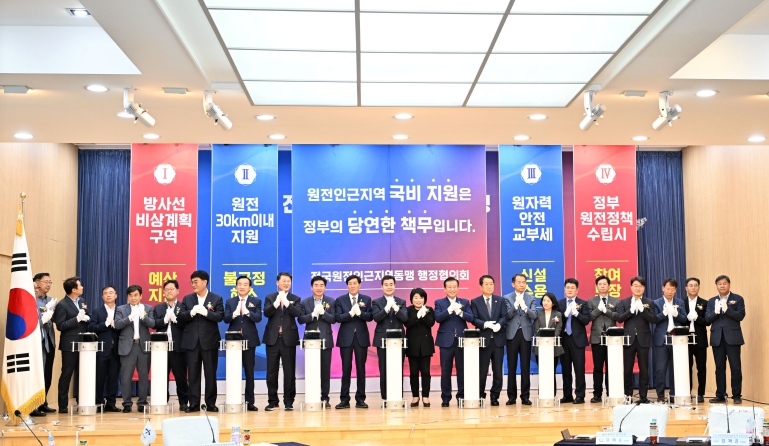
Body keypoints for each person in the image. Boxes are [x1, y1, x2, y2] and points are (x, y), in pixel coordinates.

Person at [178, 270, 225, 412]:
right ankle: (194, 403)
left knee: (210, 374)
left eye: (196, 282)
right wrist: (191, 313)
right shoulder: (187, 299)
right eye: (192, 282)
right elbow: (181, 317)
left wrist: (206, 312)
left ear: (205, 282)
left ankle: (210, 403)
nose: (193, 285)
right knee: (193, 374)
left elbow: (220, 316)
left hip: (209, 341)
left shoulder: (216, 298)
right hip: (191, 342)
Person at [263, 272, 303, 411]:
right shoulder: (270, 297)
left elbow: (297, 313)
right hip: (272, 339)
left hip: (288, 339)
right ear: (277, 282)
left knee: (289, 372)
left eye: (288, 281)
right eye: (283, 281)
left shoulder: (295, 298)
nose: (286, 283)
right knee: (271, 372)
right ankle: (273, 401)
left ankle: (289, 401)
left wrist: (286, 302)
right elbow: (266, 313)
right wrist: (276, 303)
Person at [223, 275, 263, 412]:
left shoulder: (256, 301)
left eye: (245, 284)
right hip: (233, 341)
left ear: (250, 287)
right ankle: (233, 399)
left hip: (249, 340)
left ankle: (249, 402)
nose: (242, 287)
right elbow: (225, 319)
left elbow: (258, 318)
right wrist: (234, 314)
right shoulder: (230, 301)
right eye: (239, 284)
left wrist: (248, 313)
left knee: (249, 372)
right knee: (233, 371)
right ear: (236, 286)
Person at [615, 276, 657, 404]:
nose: (638, 288)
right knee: (628, 369)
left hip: (644, 339)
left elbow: (653, 319)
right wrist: (631, 311)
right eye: (635, 285)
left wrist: (643, 310)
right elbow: (619, 319)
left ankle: (643, 396)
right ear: (631, 287)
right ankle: (628, 395)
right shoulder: (624, 302)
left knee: (644, 369)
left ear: (644, 288)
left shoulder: (649, 302)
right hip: (629, 339)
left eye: (640, 286)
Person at [333, 274, 373, 409]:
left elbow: (370, 317)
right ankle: (344, 399)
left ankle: (360, 399)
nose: (352, 286)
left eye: (354, 283)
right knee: (346, 369)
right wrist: (350, 313)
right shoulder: (340, 300)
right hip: (346, 338)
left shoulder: (366, 299)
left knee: (361, 369)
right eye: (350, 283)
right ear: (347, 286)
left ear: (359, 285)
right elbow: (338, 317)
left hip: (361, 338)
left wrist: (360, 313)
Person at [114, 284, 155, 412]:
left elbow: (153, 324)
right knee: (126, 377)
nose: (133, 298)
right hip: (127, 347)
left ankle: (142, 403)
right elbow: (117, 324)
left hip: (143, 346)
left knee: (144, 377)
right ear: (127, 296)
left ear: (141, 296)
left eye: (136, 295)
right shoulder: (121, 309)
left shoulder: (147, 308)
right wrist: (129, 318)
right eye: (130, 295)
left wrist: (144, 317)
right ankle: (127, 403)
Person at [434, 277, 474, 407]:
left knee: (462, 370)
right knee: (446, 371)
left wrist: (460, 312)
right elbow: (438, 318)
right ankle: (446, 398)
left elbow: (471, 317)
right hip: (446, 341)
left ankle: (461, 396)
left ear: (458, 288)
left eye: (454, 287)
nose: (452, 289)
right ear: (445, 289)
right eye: (449, 287)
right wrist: (449, 310)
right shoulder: (439, 302)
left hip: (462, 341)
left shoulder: (464, 302)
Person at [705, 275, 745, 404]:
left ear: (729, 284)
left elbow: (740, 316)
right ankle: (720, 394)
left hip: (733, 338)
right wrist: (715, 312)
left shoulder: (738, 299)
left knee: (735, 367)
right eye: (719, 284)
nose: (722, 286)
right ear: (716, 286)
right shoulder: (711, 301)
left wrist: (727, 310)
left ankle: (737, 395)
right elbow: (707, 319)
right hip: (717, 338)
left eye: (724, 283)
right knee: (719, 367)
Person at [152, 279, 190, 411]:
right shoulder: (158, 308)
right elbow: (154, 324)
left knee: (181, 376)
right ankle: (162, 400)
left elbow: (187, 325)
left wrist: (176, 320)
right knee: (162, 376)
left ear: (177, 291)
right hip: (161, 348)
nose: (169, 292)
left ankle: (183, 402)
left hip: (178, 346)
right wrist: (164, 320)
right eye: (166, 290)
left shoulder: (183, 307)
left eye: (171, 289)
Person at [298, 276, 336, 408]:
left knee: (325, 371)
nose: (319, 288)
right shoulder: (305, 302)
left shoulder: (331, 301)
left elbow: (334, 319)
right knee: (311, 370)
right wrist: (312, 315)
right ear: (311, 287)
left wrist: (323, 313)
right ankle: (311, 396)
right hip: (310, 341)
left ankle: (325, 398)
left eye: (321, 285)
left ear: (325, 287)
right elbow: (301, 320)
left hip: (326, 339)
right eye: (316, 285)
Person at [54, 276, 90, 413]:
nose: (82, 287)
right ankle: (63, 405)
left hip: (83, 343)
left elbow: (86, 315)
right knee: (67, 374)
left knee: (82, 374)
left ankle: (82, 402)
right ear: (73, 289)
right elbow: (60, 325)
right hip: (69, 344)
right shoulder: (62, 304)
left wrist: (87, 318)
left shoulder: (81, 301)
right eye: (80, 285)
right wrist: (77, 319)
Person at [372, 275, 408, 400]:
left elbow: (405, 318)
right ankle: (385, 397)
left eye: (391, 284)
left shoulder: (401, 302)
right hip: (382, 339)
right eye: (386, 285)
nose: (389, 287)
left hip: (398, 340)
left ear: (395, 286)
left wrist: (397, 309)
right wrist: (387, 308)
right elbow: (376, 318)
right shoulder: (376, 302)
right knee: (384, 369)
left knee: (398, 368)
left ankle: (398, 396)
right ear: (382, 287)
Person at [471, 275, 506, 406]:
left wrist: (499, 325)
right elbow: (474, 319)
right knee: (481, 371)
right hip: (483, 341)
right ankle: (480, 395)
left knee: (498, 372)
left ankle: (495, 396)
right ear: (481, 286)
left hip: (498, 341)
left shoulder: (500, 300)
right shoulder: (475, 301)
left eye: (491, 283)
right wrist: (485, 324)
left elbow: (504, 316)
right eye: (486, 284)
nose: (489, 286)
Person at [502, 273, 537, 406]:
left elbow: (534, 315)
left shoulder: (531, 298)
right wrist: (515, 306)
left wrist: (525, 307)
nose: (522, 284)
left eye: (524, 282)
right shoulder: (507, 298)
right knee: (511, 366)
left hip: (526, 334)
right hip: (512, 334)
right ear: (513, 284)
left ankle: (525, 396)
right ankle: (511, 397)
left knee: (525, 366)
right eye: (519, 282)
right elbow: (507, 315)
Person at [652, 278, 687, 402]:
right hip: (661, 339)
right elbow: (654, 320)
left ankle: (673, 394)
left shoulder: (680, 302)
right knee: (660, 369)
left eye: (672, 289)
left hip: (677, 340)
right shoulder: (656, 303)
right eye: (668, 289)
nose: (670, 291)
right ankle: (660, 395)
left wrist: (677, 314)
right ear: (663, 288)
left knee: (675, 368)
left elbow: (684, 319)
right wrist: (664, 313)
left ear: (675, 290)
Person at [587, 275, 620, 403]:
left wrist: (606, 311)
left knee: (611, 367)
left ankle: (611, 393)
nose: (602, 286)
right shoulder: (591, 301)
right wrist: (598, 310)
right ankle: (597, 394)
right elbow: (589, 317)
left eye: (604, 284)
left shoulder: (615, 301)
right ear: (597, 286)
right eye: (600, 284)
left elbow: (618, 317)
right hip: (597, 338)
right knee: (598, 367)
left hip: (612, 339)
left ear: (609, 286)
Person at [88, 286, 122, 413]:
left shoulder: (120, 310)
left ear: (116, 295)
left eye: (111, 293)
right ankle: (99, 403)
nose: (108, 295)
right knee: (100, 377)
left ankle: (111, 404)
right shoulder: (97, 311)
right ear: (102, 297)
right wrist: (104, 324)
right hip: (102, 349)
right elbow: (91, 327)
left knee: (113, 378)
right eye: (105, 293)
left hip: (116, 349)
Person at [557, 278, 590, 404]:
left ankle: (580, 395)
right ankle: (567, 395)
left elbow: (586, 320)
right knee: (566, 370)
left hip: (578, 340)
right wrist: (564, 315)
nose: (570, 290)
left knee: (579, 369)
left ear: (577, 290)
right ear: (564, 289)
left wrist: (577, 314)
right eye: (568, 287)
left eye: (572, 288)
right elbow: (556, 321)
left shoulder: (583, 303)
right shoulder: (559, 304)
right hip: (564, 339)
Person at [404, 288, 435, 407]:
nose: (418, 300)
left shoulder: (429, 310)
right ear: (411, 299)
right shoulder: (408, 310)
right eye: (415, 297)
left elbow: (431, 323)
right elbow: (407, 324)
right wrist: (417, 316)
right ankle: (415, 396)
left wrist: (424, 314)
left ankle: (425, 396)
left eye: (421, 298)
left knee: (426, 372)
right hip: (412, 345)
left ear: (424, 299)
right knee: (413, 372)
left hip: (426, 346)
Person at [33, 272, 57, 415]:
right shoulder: (32, 299)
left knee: (47, 374)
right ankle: (33, 405)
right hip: (37, 342)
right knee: (38, 373)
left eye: (50, 282)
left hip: (49, 340)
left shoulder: (51, 300)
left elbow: (57, 319)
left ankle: (43, 402)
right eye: (45, 282)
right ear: (36, 283)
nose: (48, 285)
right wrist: (44, 316)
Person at [683, 277, 709, 403]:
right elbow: (679, 320)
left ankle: (701, 394)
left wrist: (697, 318)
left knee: (701, 367)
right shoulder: (681, 302)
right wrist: (686, 319)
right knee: (687, 367)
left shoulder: (705, 303)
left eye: (695, 285)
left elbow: (707, 321)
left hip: (700, 339)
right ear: (686, 288)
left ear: (699, 287)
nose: (693, 288)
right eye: (690, 285)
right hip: (685, 340)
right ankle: (687, 392)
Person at [533, 292, 564, 360]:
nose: (545, 303)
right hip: (540, 344)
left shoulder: (558, 314)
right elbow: (536, 328)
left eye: (548, 301)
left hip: (554, 345)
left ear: (553, 303)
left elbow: (558, 329)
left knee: (553, 366)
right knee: (541, 365)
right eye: (544, 300)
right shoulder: (538, 314)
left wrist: (551, 339)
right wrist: (543, 338)